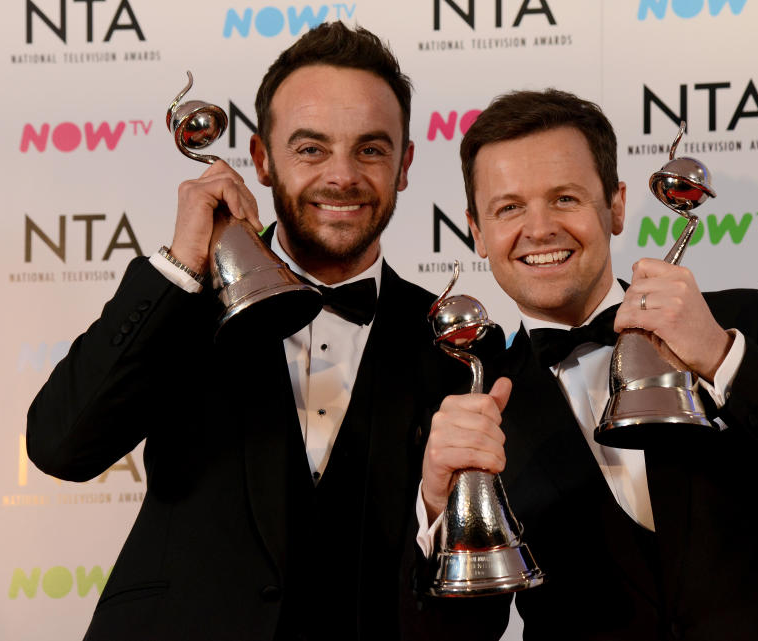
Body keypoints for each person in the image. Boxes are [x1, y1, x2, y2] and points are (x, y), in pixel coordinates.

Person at [27, 22, 473, 641]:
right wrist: (182, 267)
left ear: (404, 165)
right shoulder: (184, 303)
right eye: (310, 149)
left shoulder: (453, 342)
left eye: (370, 149)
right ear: (262, 160)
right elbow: (60, 445)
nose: (341, 176)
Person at [414, 89, 758, 640]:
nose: (539, 227)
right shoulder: (464, 401)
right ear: (476, 231)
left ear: (615, 206)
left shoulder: (746, 322)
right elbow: (457, 632)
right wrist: (436, 504)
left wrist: (719, 355)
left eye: (565, 198)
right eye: (509, 207)